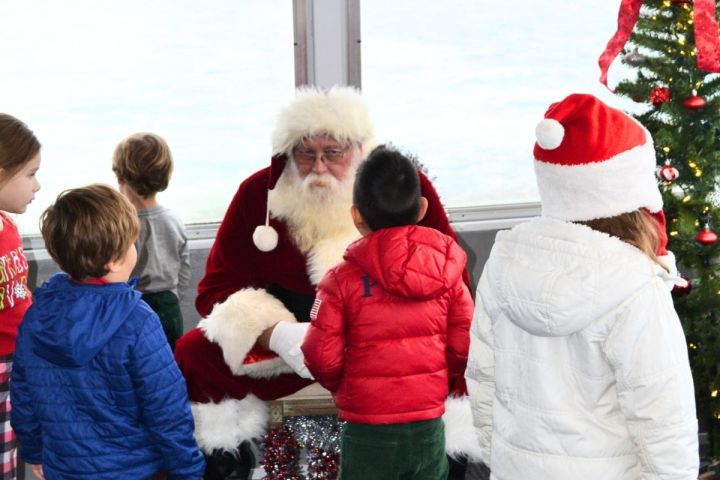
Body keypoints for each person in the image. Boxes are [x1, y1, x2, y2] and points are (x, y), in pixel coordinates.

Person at [174, 86, 480, 479]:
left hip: (390, 340)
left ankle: (452, 459)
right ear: (288, 153)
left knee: (465, 352)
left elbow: (452, 279)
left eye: (333, 153)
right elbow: (214, 291)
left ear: (358, 149)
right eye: (306, 154)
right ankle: (227, 460)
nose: (319, 168)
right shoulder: (259, 195)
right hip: (283, 345)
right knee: (194, 352)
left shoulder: (398, 184)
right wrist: (275, 333)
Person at [465, 93, 699, 479]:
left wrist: (504, 459)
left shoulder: (506, 262)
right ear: (634, 192)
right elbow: (662, 419)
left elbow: (483, 378)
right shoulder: (636, 286)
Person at [301, 146, 474, 480]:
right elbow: (464, 346)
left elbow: (319, 355)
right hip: (427, 423)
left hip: (367, 427)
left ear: (356, 216)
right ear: (422, 207)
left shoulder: (339, 281)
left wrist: (346, 385)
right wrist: (434, 377)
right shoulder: (448, 275)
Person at [10, 184, 205, 480]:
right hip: (137, 470)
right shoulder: (138, 320)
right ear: (114, 260)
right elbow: (166, 407)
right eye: (132, 242)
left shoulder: (38, 315)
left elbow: (24, 394)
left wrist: (35, 451)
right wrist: (188, 469)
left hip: (65, 468)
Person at [112, 132, 190, 350]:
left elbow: (115, 272)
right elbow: (184, 266)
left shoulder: (123, 225)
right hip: (170, 308)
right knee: (169, 362)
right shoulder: (174, 219)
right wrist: (173, 296)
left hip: (134, 306)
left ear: (121, 179)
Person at [0, 114, 41, 480]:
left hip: (19, 363)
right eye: (29, 174)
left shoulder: (8, 223)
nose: (38, 185)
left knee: (12, 456)